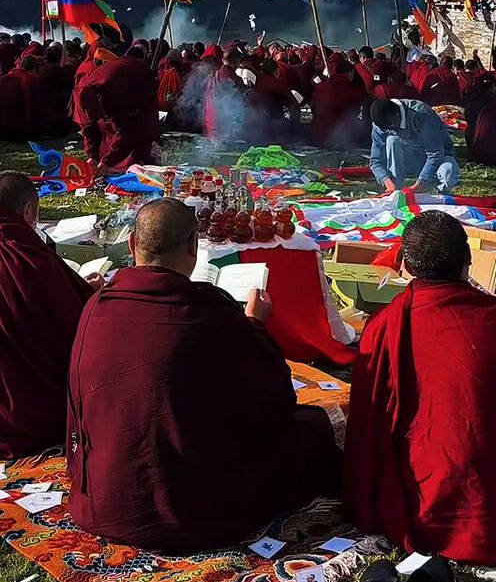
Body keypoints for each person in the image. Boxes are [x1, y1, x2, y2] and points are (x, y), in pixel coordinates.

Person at [67, 199, 340, 553]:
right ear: (194, 248)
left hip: (107, 501)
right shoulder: (211, 313)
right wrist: (255, 325)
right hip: (195, 511)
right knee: (313, 429)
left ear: (132, 244)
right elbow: (273, 401)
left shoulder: (97, 306)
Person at [344, 212, 496, 564]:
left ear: (403, 264)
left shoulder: (384, 326)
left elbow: (367, 426)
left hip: (424, 509)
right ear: (468, 261)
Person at [0, 172, 94, 459]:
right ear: (28, 211)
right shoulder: (28, 257)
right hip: (33, 416)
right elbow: (78, 324)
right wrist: (88, 292)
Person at [77, 33, 160, 172]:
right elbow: (88, 125)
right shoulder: (83, 94)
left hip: (142, 87)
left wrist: (108, 161)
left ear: (99, 99)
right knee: (107, 127)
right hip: (118, 85)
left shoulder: (112, 90)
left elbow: (124, 130)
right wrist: (92, 155)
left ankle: (139, 162)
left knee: (142, 128)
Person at [369, 98, 460, 193]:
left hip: (439, 158)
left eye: (391, 128)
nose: (390, 131)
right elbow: (376, 161)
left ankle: (439, 192)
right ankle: (397, 188)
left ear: (397, 115)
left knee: (448, 173)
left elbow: (435, 153)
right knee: (392, 141)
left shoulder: (421, 114)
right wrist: (388, 183)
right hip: (410, 161)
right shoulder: (380, 124)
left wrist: (419, 184)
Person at [311, 54, 368, 148]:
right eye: (352, 74)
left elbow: (313, 108)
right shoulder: (354, 91)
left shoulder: (320, 87)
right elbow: (356, 113)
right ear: (349, 73)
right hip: (343, 136)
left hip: (319, 134)